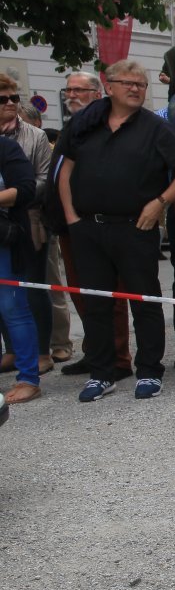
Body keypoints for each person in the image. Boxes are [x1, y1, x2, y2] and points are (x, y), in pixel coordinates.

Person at [55, 60, 175, 402]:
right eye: (128, 83)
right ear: (109, 86)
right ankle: (101, 373)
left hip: (135, 227)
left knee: (144, 301)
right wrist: (71, 217)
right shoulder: (86, 123)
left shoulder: (155, 127)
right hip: (88, 227)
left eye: (141, 84)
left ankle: (150, 370)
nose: (135, 89)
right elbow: (65, 170)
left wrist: (160, 202)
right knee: (95, 304)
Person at [54, 72, 128, 376]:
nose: (71, 95)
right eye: (68, 90)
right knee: (82, 294)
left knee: (110, 295)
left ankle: (119, 357)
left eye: (79, 90)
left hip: (98, 223)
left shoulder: (102, 127)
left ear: (98, 94)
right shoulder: (73, 126)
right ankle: (95, 351)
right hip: (70, 225)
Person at [0, 74, 54, 380]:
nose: (10, 103)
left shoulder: (34, 136)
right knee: (5, 296)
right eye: (2, 99)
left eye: (14, 98)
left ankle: (41, 353)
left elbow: (43, 179)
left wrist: (14, 196)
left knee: (32, 287)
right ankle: (12, 350)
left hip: (28, 218)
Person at [0, 134, 39, 404]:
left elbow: (26, 189)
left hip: (5, 243)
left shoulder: (6, 148)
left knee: (13, 309)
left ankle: (28, 379)